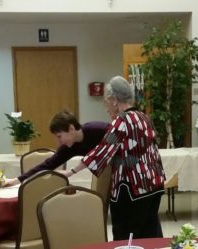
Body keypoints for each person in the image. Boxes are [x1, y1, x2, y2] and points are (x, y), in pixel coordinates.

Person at [60, 76, 166, 240]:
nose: (105, 107)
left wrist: (72, 171)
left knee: (127, 236)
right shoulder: (144, 117)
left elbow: (102, 151)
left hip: (132, 189)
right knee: (150, 233)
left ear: (115, 100)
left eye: (106, 102)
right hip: (154, 184)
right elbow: (146, 152)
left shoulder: (121, 121)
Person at [3, 110, 110, 186]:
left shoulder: (98, 128)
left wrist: (72, 171)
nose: (59, 142)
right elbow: (47, 165)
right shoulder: (69, 147)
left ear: (71, 129)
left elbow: (108, 148)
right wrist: (16, 180)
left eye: (59, 136)